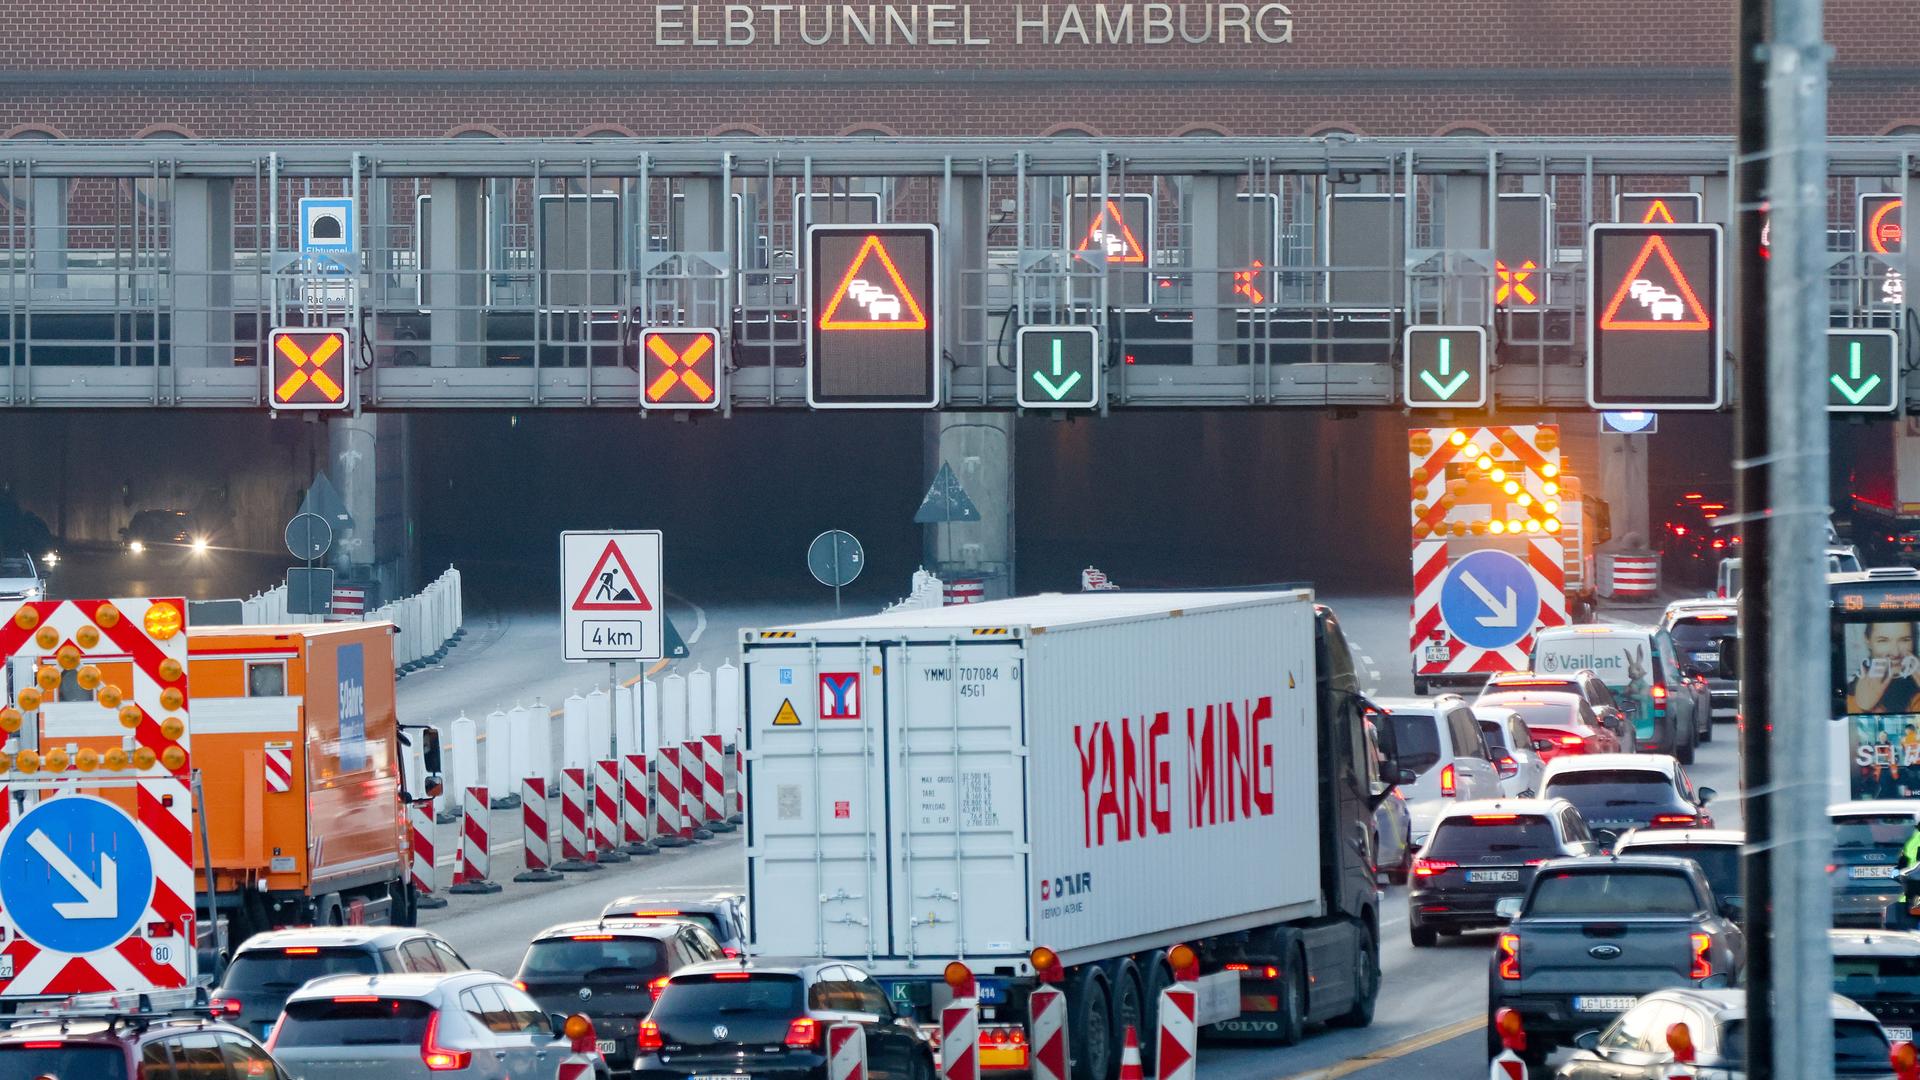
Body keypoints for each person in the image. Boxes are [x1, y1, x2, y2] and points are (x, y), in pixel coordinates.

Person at [1847, 621, 1920, 714]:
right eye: (1883, 640)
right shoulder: (1849, 692)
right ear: (1868, 641)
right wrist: (1861, 707)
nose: (1895, 653)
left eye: (1905, 640)